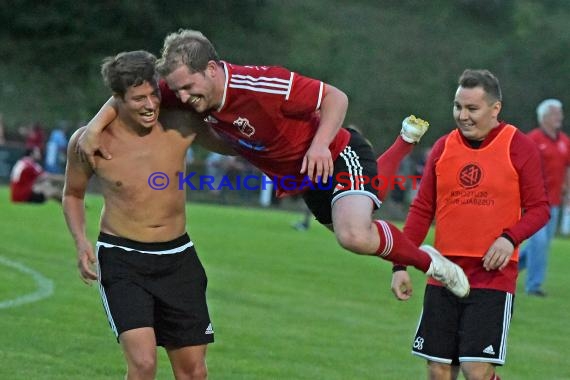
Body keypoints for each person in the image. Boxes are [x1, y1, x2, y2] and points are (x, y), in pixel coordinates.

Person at [78, 29, 470, 298]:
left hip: (334, 156)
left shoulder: (262, 85)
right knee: (363, 232)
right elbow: (134, 91)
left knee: (354, 235)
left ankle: (432, 264)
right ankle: (402, 150)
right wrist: (94, 129)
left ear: (211, 69)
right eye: (177, 88)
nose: (181, 94)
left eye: (188, 86)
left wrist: (318, 146)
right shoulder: (184, 88)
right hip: (301, 177)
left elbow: (335, 97)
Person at [62, 50, 233, 380]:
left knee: (193, 372)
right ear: (117, 99)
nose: (150, 104)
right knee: (142, 365)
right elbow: (73, 194)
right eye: (138, 98)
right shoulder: (87, 142)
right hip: (122, 259)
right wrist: (80, 241)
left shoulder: (180, 122)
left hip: (177, 257)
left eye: (153, 94)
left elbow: (234, 143)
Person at [390, 69, 550, 380]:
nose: (462, 116)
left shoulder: (518, 145)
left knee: (476, 370)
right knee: (438, 369)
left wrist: (509, 238)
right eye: (457, 107)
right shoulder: (442, 147)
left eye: (472, 108)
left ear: (495, 108)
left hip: (492, 277)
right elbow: (422, 209)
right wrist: (400, 265)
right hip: (443, 273)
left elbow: (540, 209)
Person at [517, 99, 568, 296]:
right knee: (538, 242)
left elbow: (567, 167)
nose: (560, 117)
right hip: (533, 202)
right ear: (545, 116)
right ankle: (534, 286)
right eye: (556, 113)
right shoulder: (532, 139)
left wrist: (567, 190)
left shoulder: (564, 141)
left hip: (554, 202)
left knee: (541, 245)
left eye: (560, 113)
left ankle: (506, 268)